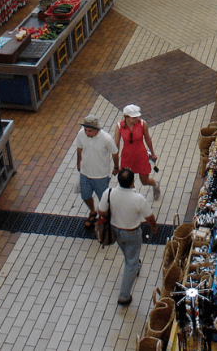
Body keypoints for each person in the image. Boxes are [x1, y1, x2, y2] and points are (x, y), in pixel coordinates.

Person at [98, 168, 158, 306]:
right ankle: (124, 296)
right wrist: (154, 228)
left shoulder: (109, 193)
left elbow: (101, 211)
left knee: (128, 253)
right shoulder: (138, 198)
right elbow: (149, 217)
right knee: (130, 262)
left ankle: (135, 264)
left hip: (115, 231)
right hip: (132, 233)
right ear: (132, 182)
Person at [76, 115, 119, 228]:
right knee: (85, 196)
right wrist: (78, 162)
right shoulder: (81, 134)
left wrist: (116, 167)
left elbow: (115, 152)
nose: (87, 133)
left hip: (101, 175)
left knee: (103, 199)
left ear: (97, 129)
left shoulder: (106, 138)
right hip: (85, 173)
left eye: (90, 131)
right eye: (85, 130)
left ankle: (105, 216)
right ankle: (92, 212)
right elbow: (79, 148)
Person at [113, 105, 160, 199]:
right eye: (134, 117)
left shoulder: (142, 124)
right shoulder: (119, 126)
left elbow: (147, 138)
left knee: (144, 181)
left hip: (141, 156)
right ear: (126, 117)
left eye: (137, 116)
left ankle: (155, 184)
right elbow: (116, 146)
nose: (137, 118)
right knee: (128, 182)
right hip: (127, 157)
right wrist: (116, 165)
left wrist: (152, 153)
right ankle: (133, 199)